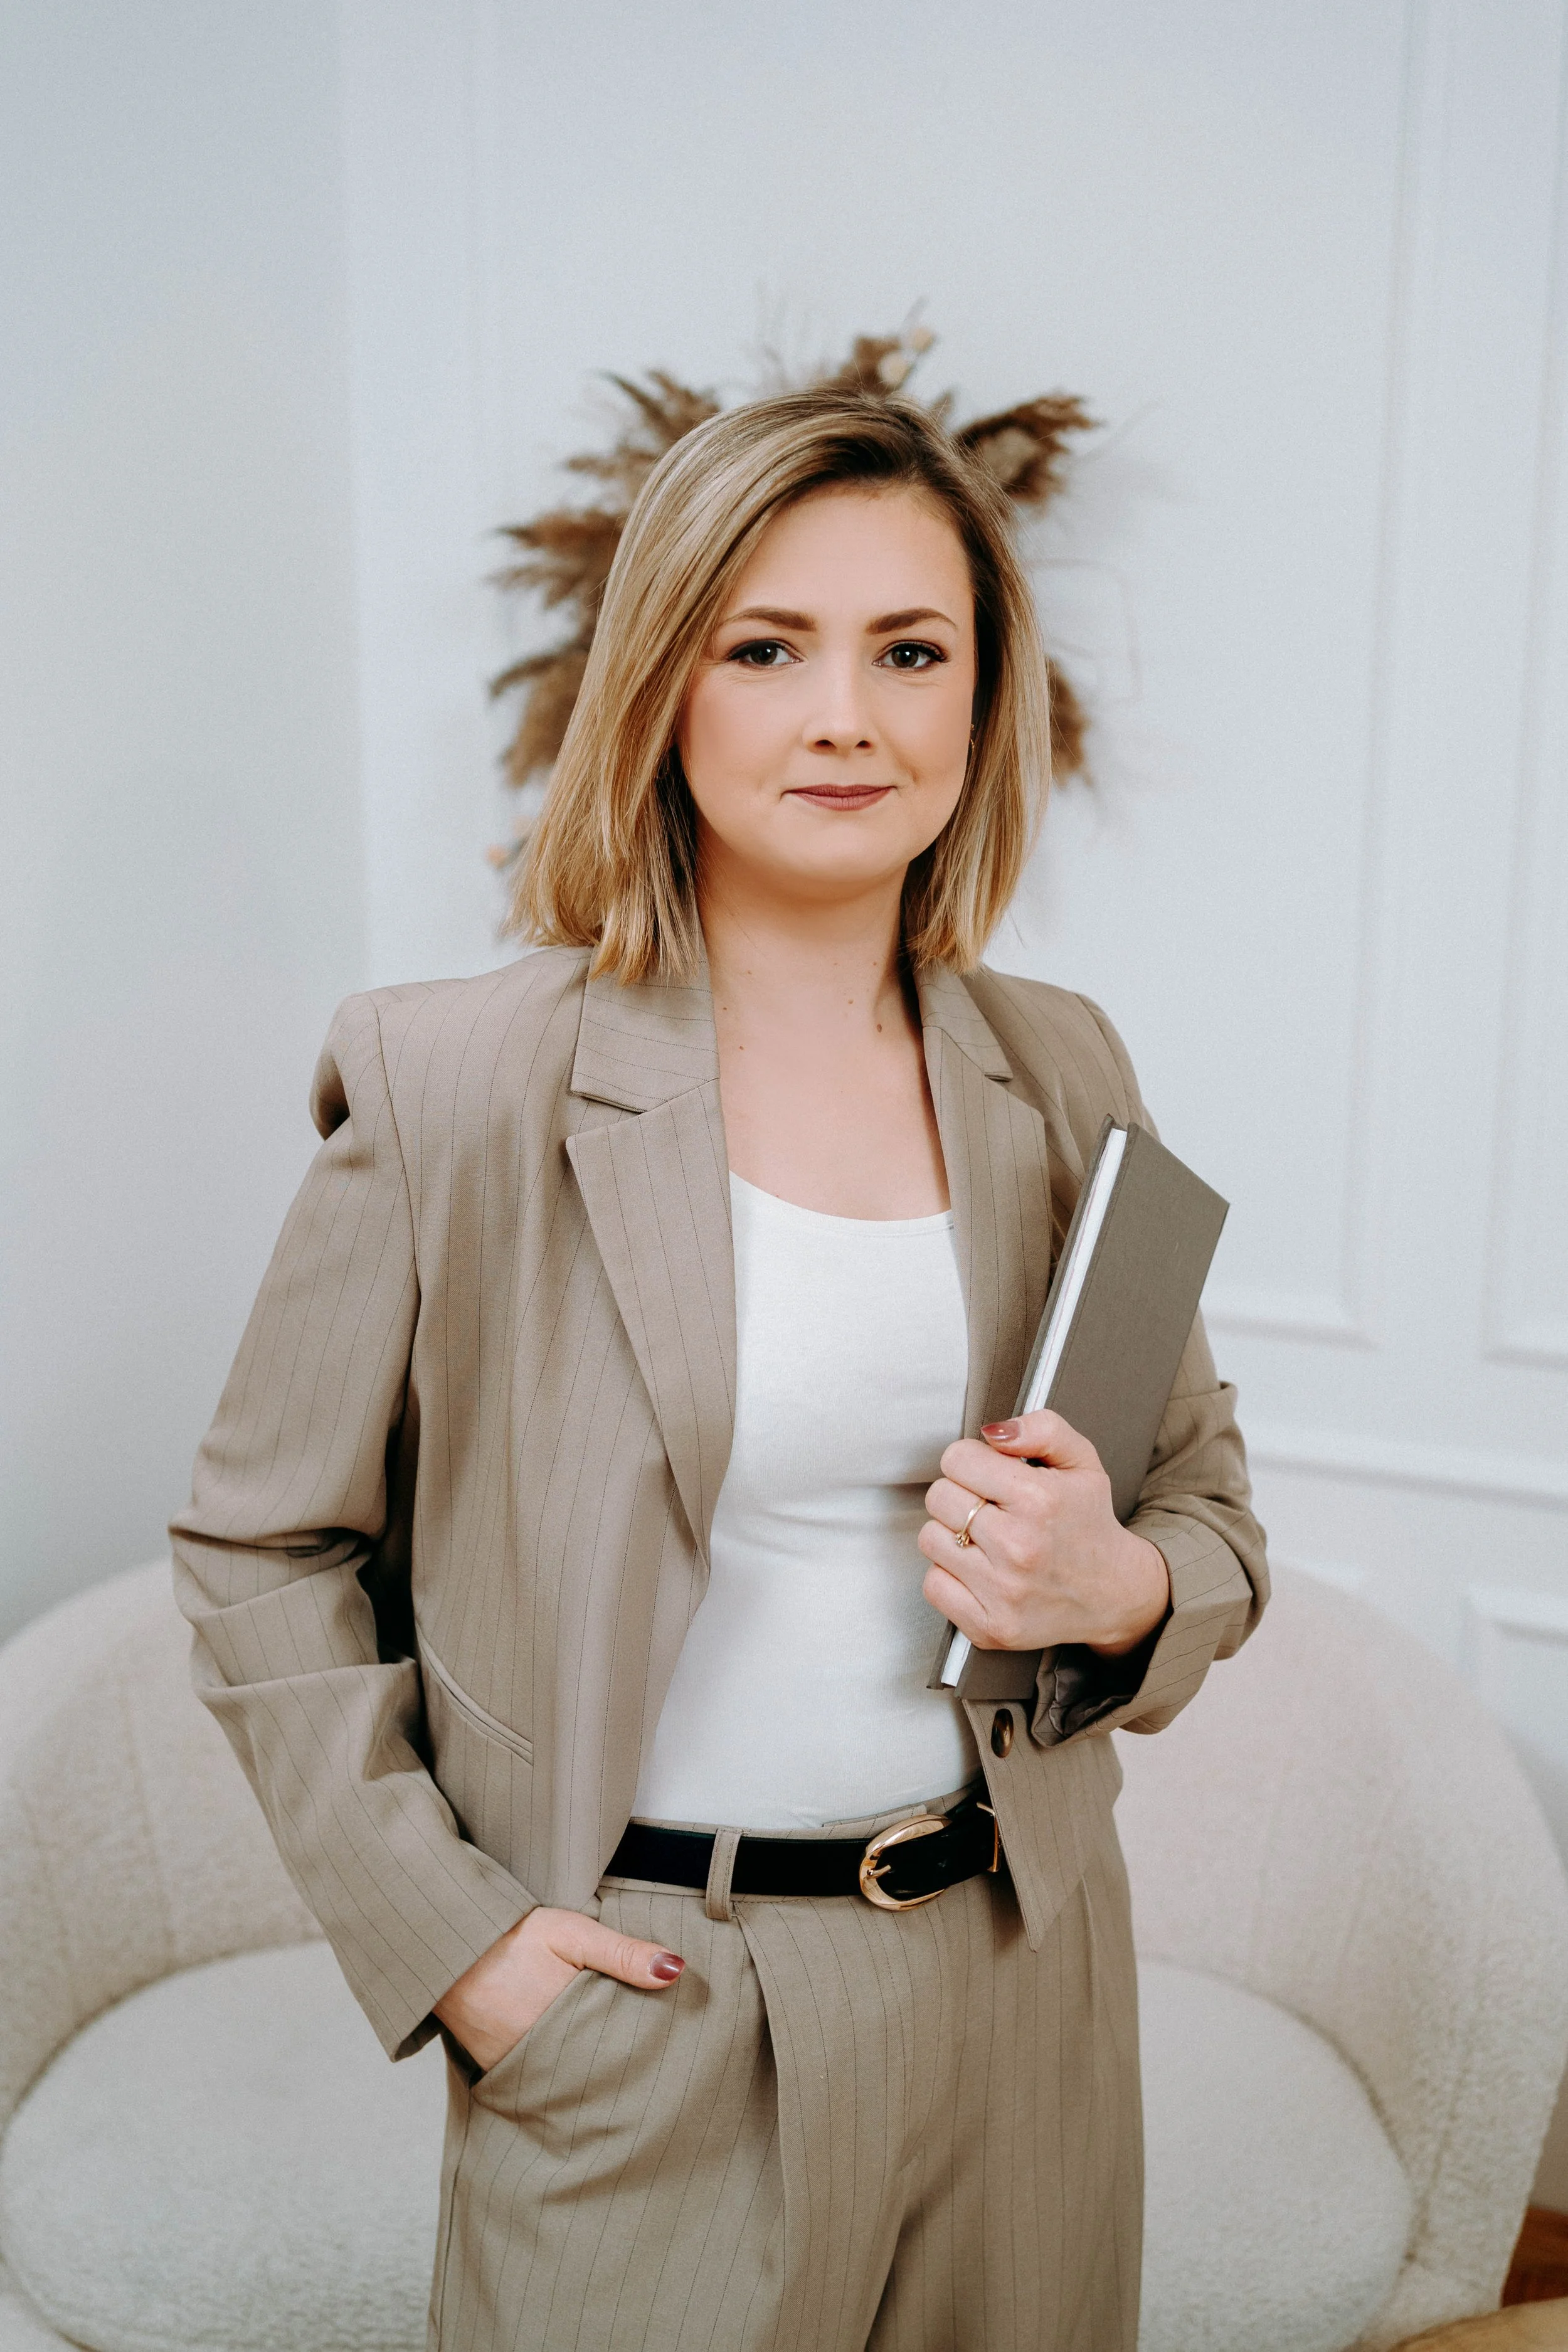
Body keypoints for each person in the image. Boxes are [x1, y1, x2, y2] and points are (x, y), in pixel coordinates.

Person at [171, 388, 1267, 2352]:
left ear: (976, 700)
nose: (843, 712)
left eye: (907, 651)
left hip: (1020, 1986)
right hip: (645, 2022)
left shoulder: (1063, 1062)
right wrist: (466, 1947)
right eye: (766, 647)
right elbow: (260, 1549)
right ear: (662, 683)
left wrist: (1127, 1586)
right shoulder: (457, 1083)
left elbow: (1197, 1490)